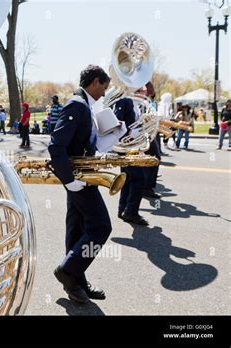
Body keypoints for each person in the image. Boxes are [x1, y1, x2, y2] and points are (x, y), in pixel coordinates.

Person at [48, 65, 112, 303]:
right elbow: (56, 146)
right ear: (95, 82)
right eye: (104, 88)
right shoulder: (77, 104)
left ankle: (76, 282)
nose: (104, 94)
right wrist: (69, 181)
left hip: (82, 177)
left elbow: (81, 144)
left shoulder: (84, 105)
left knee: (77, 231)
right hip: (78, 180)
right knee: (101, 227)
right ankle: (67, 271)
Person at [112, 96, 148, 225]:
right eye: (140, 89)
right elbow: (116, 122)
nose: (143, 90)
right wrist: (132, 133)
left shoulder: (136, 103)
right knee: (139, 178)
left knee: (128, 178)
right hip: (127, 146)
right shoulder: (125, 100)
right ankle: (130, 212)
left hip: (131, 145)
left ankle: (123, 209)